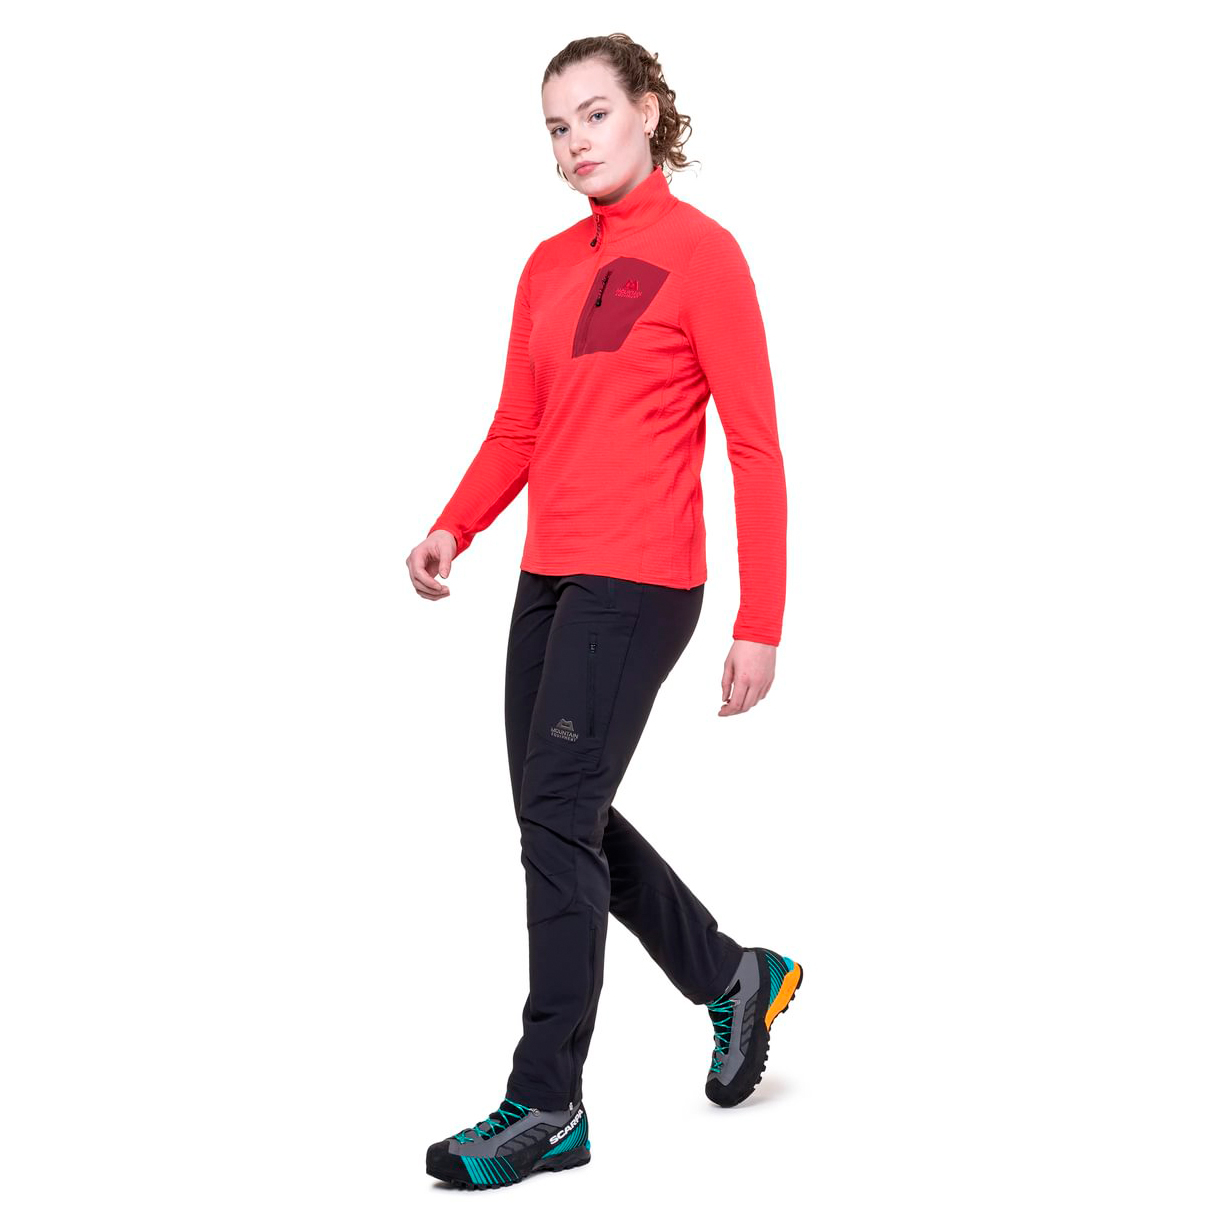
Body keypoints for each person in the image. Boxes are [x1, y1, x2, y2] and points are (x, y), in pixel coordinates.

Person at [410, 35, 802, 1190]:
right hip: (548, 576)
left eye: (593, 114)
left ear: (648, 112)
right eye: (555, 126)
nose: (574, 142)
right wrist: (454, 524)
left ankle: (546, 1101)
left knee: (554, 815)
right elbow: (519, 428)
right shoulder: (544, 266)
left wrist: (760, 617)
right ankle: (730, 974)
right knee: (558, 813)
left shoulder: (702, 255)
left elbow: (753, 446)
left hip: (640, 581)